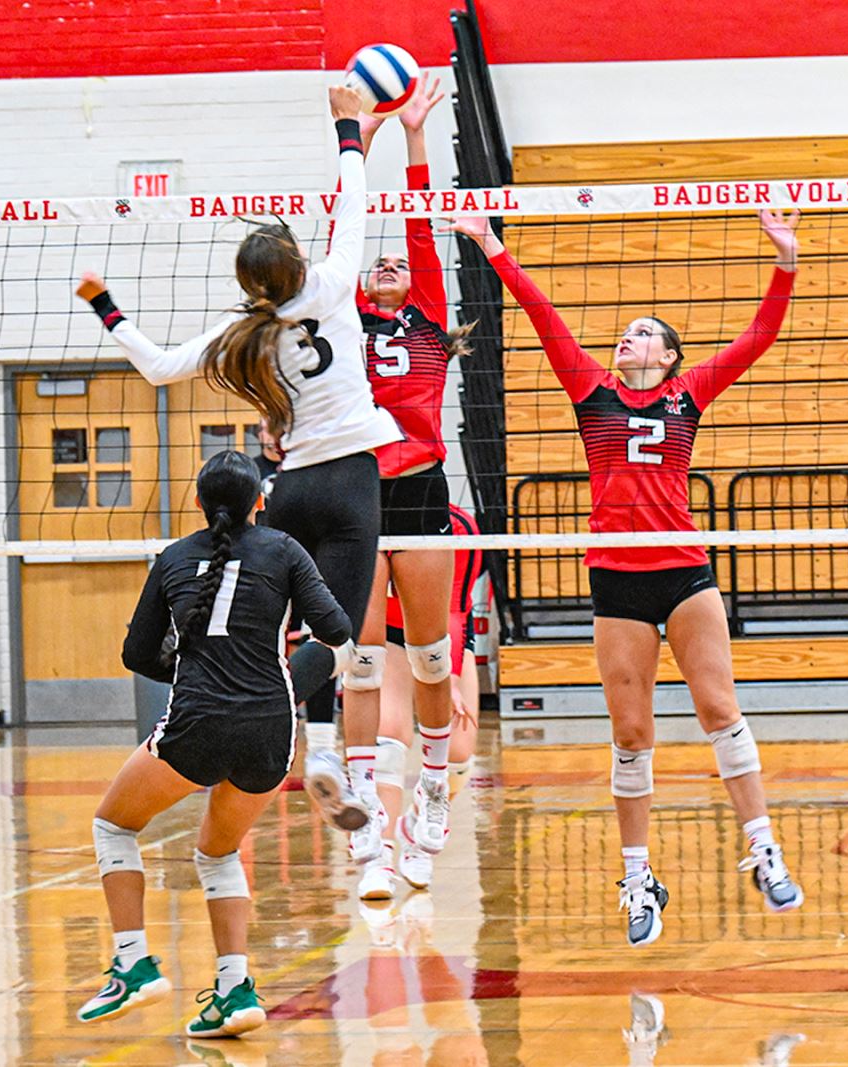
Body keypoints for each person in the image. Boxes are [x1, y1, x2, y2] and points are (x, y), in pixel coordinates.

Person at [455, 207, 806, 947]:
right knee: (631, 731)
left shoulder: (690, 394)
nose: (629, 337)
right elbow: (543, 316)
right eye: (626, 331)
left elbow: (759, 338)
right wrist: (493, 247)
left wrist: (785, 260)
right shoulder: (592, 390)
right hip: (616, 578)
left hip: (683, 571)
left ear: (672, 357)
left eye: (646, 331)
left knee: (720, 710)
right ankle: (638, 873)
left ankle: (763, 846)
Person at [76, 85, 398, 846]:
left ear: (255, 284)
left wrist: (105, 304)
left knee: (265, 623)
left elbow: (154, 368)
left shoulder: (241, 331)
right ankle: (302, 724)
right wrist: (350, 127)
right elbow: (353, 198)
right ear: (295, 262)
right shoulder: (334, 281)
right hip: (352, 479)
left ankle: (309, 740)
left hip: (285, 490)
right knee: (342, 633)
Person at [76, 451, 352, 1036]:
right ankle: (233, 989)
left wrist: (190, 667)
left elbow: (135, 655)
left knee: (113, 826)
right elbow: (335, 633)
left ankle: (132, 962)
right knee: (218, 852)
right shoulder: (284, 550)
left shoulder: (174, 557)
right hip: (271, 733)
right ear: (260, 502)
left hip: (196, 724)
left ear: (198, 503)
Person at [340, 76, 474, 898]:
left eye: (399, 261)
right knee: (359, 663)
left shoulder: (426, 316)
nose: (390, 260)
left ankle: (430, 800)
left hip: (421, 490)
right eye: (376, 261)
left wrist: (417, 137)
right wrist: (360, 138)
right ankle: (365, 822)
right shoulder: (341, 318)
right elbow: (343, 230)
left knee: (427, 661)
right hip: (357, 492)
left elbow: (418, 227)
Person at [369, 502, 484, 896]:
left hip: (444, 631)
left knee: (459, 751)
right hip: (388, 630)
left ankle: (418, 830)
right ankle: (381, 856)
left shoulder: (458, 526)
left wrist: (447, 677)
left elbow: (454, 607)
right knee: (389, 736)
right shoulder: (365, 515)